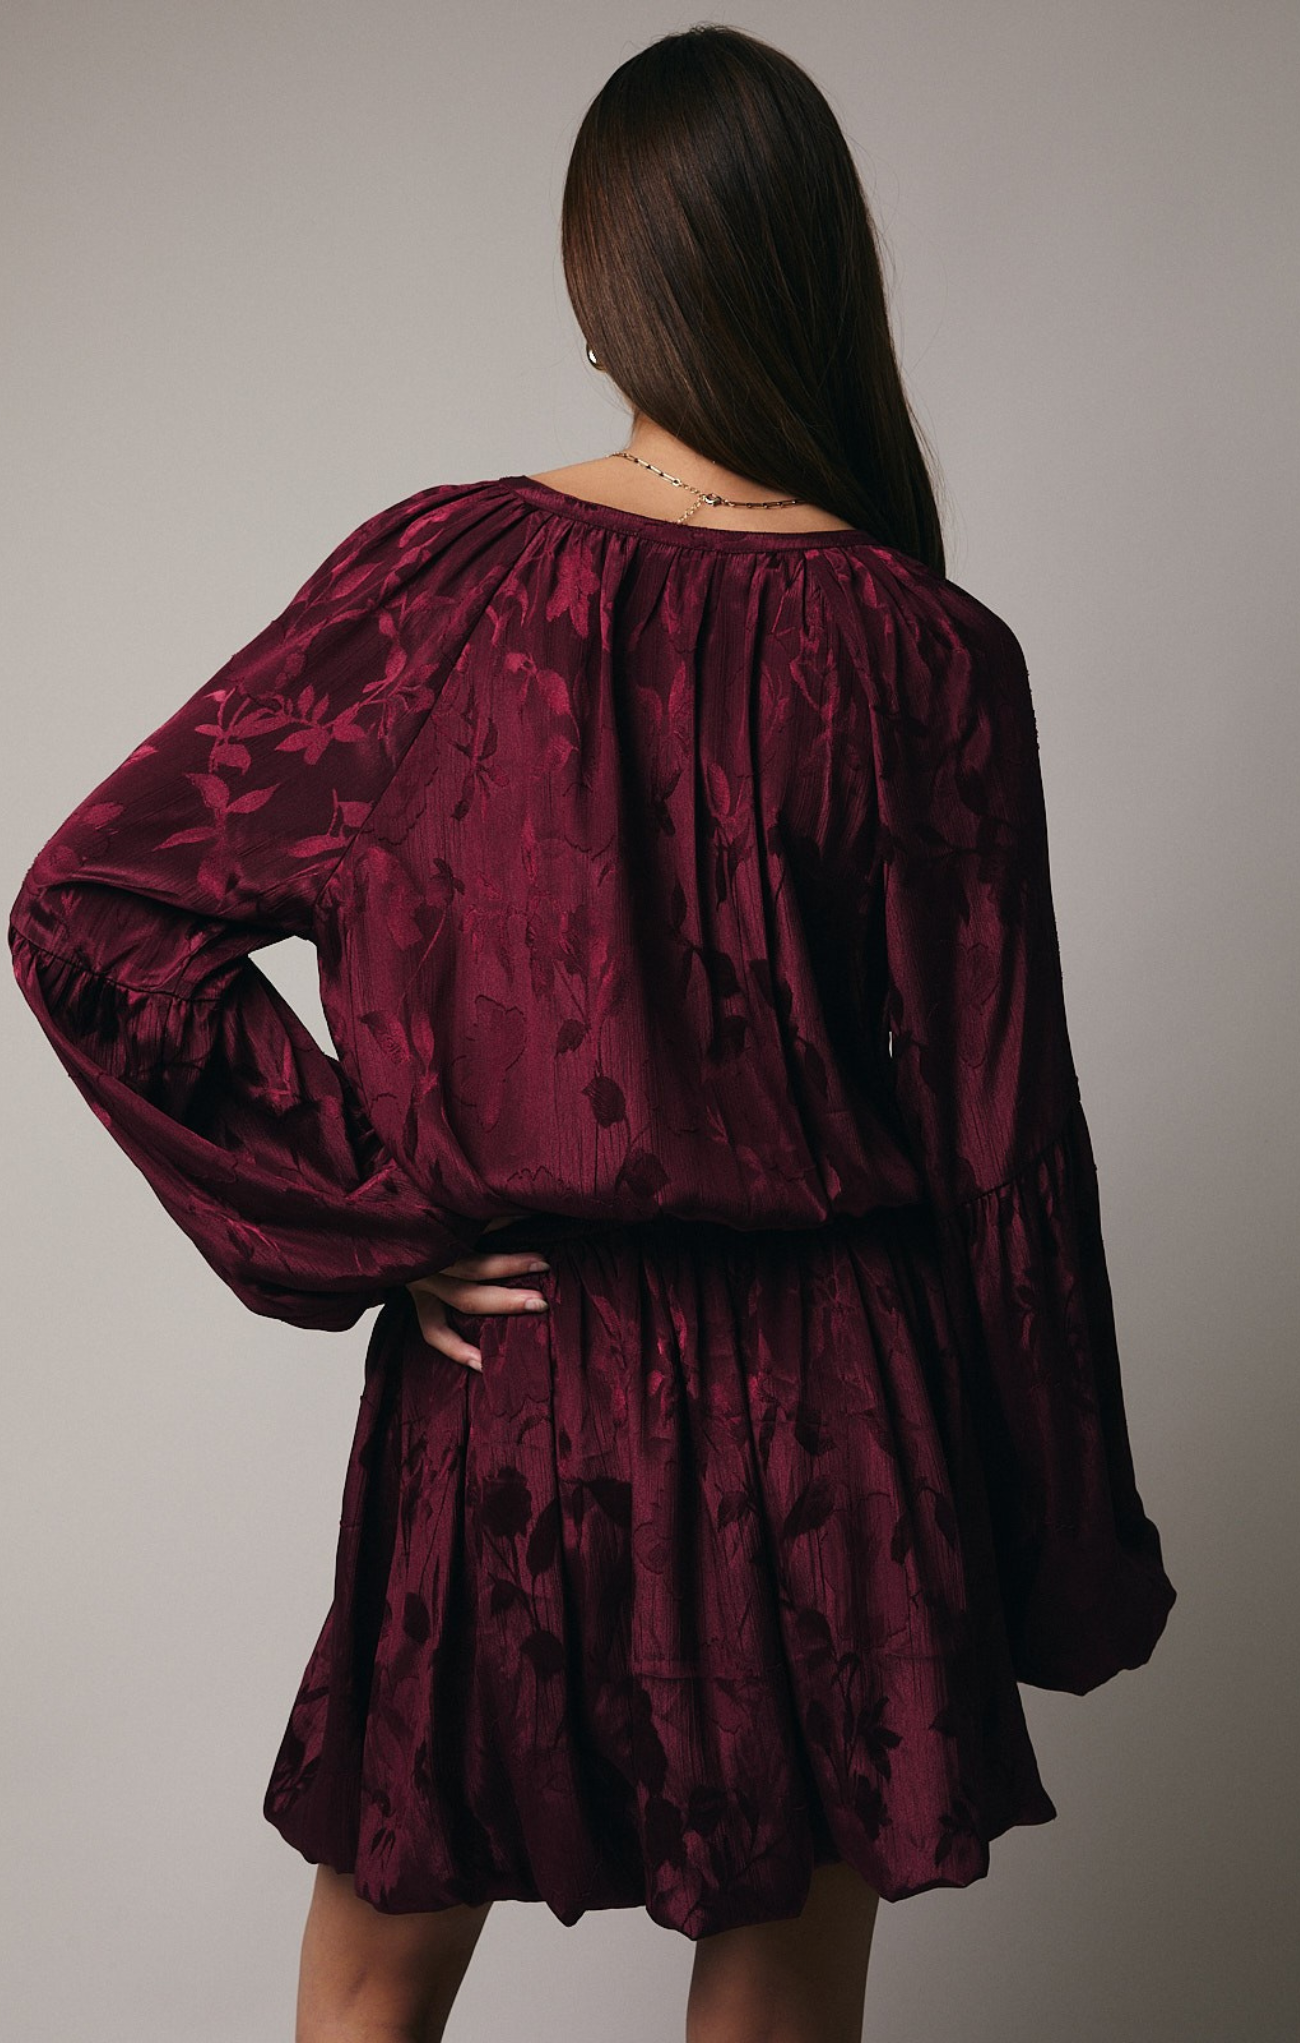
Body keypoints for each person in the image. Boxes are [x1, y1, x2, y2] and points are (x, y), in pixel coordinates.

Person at [7, 24, 1177, 2043]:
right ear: (816, 267)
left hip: (517, 1389)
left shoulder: (432, 580)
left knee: (372, 1986)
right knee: (780, 2006)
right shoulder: (923, 651)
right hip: (839, 1405)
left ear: (597, 280)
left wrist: (372, 1213)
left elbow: (96, 910)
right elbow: (1006, 1143)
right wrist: (1056, 1537)